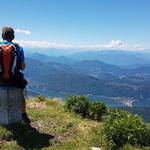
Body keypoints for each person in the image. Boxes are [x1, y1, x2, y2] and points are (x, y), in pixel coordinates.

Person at [0, 26, 30, 124]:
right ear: (13, 37)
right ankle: (24, 114)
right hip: (14, 81)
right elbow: (22, 67)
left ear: (2, 36)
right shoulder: (18, 48)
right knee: (22, 94)